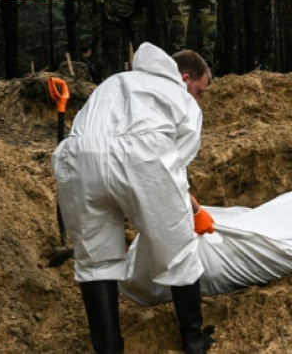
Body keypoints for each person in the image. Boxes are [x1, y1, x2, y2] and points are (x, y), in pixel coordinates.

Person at [52, 42, 216, 353]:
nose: (199, 99)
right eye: (200, 91)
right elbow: (174, 167)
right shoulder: (182, 100)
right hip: (142, 158)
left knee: (95, 261)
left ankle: (109, 348)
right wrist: (189, 211)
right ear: (184, 78)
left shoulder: (115, 82)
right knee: (177, 248)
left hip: (79, 160)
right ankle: (193, 338)